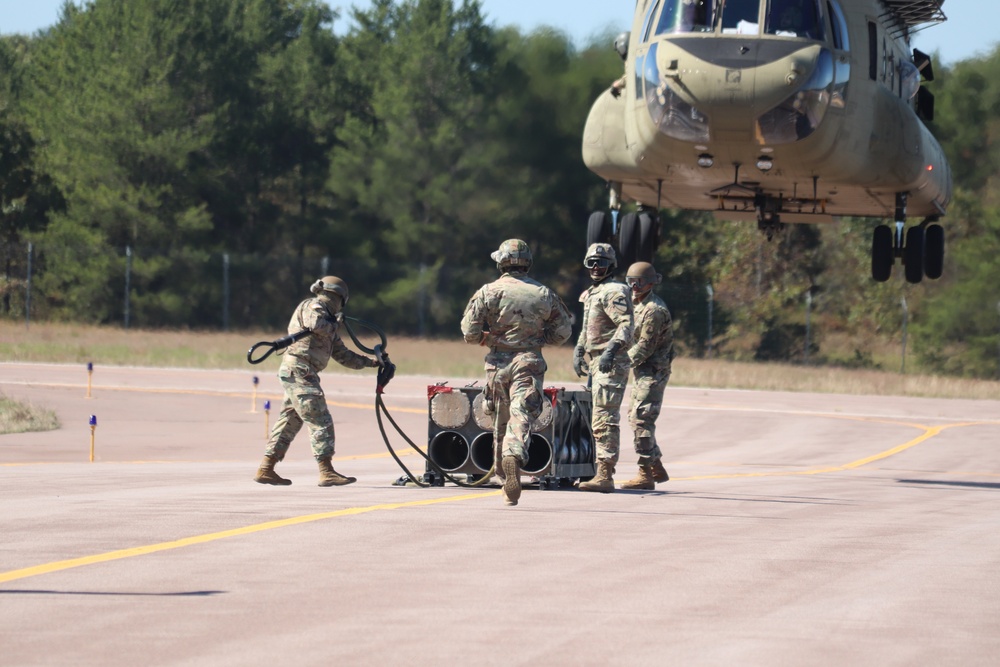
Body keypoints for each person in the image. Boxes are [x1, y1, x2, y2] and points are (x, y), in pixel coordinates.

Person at [460, 239, 574, 506]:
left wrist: (490, 340)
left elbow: (469, 332)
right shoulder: (543, 293)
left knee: (500, 414)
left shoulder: (488, 292)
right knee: (521, 413)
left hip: (497, 365)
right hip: (529, 360)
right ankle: (513, 456)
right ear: (528, 263)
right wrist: (537, 339)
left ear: (501, 262)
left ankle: (502, 474)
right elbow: (563, 331)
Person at [254, 276, 380, 487]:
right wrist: (334, 323)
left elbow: (343, 355)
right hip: (299, 370)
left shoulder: (330, 322)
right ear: (339, 297)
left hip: (303, 372)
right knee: (319, 418)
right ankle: (326, 471)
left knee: (290, 421)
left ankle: (266, 469)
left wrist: (373, 363)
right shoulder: (313, 306)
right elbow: (316, 323)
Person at [574, 243, 634, 493]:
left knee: (605, 417)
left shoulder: (614, 291)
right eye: (591, 262)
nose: (596, 267)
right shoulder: (592, 292)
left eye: (601, 262)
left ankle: (605, 474)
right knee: (593, 416)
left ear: (611, 265)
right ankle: (594, 469)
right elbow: (588, 325)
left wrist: (611, 350)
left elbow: (626, 324)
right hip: (596, 359)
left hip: (611, 360)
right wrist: (579, 349)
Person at [621, 261, 673, 490]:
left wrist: (618, 364)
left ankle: (645, 474)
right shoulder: (634, 305)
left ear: (651, 282)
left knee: (641, 419)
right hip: (641, 371)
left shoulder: (654, 310)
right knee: (635, 416)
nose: (634, 285)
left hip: (652, 371)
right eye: (630, 281)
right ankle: (655, 464)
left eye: (639, 281)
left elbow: (644, 347)